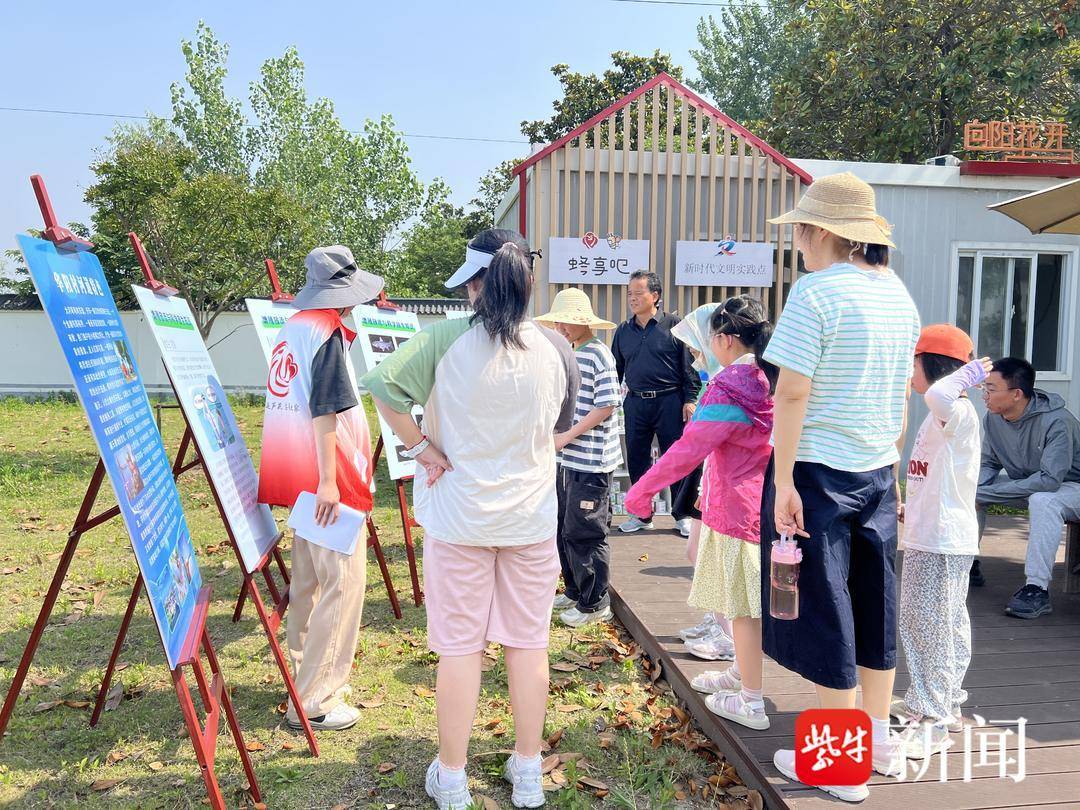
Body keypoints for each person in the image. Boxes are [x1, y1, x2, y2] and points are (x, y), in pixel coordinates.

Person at [362, 229, 579, 810]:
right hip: (530, 519)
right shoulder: (557, 347)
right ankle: (528, 772)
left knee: (460, 649)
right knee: (528, 645)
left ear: (478, 283)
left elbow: (380, 384)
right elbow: (560, 417)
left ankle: (453, 777)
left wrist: (420, 447)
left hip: (459, 519)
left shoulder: (443, 339)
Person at [762, 172, 921, 802]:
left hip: (819, 472)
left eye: (800, 228)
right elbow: (900, 398)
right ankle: (877, 740)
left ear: (821, 231)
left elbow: (792, 392)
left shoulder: (815, 293)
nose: (797, 239)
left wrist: (781, 480)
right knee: (875, 604)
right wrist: (894, 466)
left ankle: (837, 763)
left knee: (827, 609)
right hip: (878, 471)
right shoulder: (899, 294)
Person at [625, 295, 777, 730]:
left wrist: (641, 492)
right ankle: (739, 675)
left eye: (703, 344)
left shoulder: (731, 387)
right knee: (738, 603)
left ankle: (751, 700)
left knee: (743, 609)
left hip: (736, 511)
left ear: (725, 340)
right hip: (756, 504)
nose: (698, 354)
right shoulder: (766, 377)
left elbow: (688, 449)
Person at [257, 245, 383, 732]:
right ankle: (316, 699)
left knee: (308, 583)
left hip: (299, 478)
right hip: (328, 482)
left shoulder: (291, 330)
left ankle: (302, 674)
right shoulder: (327, 333)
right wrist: (331, 480)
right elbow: (325, 409)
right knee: (343, 585)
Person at [895, 325, 991, 757]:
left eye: (914, 362)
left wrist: (965, 374)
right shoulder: (943, 413)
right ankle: (939, 700)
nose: (909, 372)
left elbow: (938, 395)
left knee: (926, 624)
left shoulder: (956, 410)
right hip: (932, 534)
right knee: (944, 622)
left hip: (940, 540)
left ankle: (933, 716)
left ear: (932, 365)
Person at [535, 288, 620, 629]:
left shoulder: (598, 354)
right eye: (559, 320)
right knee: (564, 528)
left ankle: (594, 601)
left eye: (568, 321)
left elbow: (608, 403)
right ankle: (574, 590)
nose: (562, 326)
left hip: (591, 460)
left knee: (585, 530)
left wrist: (567, 435)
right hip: (568, 458)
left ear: (584, 322)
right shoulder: (572, 352)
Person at [976, 357, 1080, 618]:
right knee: (970, 491)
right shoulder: (993, 419)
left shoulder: (1057, 421)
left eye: (991, 389)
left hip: (1071, 488)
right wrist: (974, 489)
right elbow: (988, 463)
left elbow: (1049, 481)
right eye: (984, 388)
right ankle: (967, 563)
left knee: (1043, 501)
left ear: (1016, 394)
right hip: (1031, 485)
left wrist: (984, 492)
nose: (984, 395)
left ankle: (1036, 589)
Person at [612, 270, 700, 536]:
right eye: (629, 294)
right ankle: (641, 514)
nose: (632, 299)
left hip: (670, 401)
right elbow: (615, 369)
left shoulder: (674, 326)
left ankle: (681, 514)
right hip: (636, 403)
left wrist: (691, 398)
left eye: (639, 293)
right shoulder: (623, 331)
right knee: (637, 458)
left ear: (655, 296)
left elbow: (690, 368)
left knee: (675, 459)